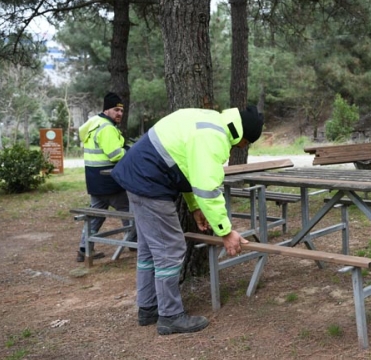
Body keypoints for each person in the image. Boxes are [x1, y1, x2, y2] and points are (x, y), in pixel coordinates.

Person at [111, 105, 264, 335]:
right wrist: (225, 232)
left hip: (138, 176)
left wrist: (193, 207)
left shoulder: (210, 121)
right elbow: (208, 190)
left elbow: (186, 167)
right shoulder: (214, 137)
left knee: (149, 250)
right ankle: (170, 315)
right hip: (150, 182)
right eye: (247, 142)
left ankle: (148, 308)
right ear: (242, 136)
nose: (244, 147)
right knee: (170, 248)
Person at [76, 92, 135, 262]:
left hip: (94, 181)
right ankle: (133, 241)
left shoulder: (94, 124)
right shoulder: (107, 128)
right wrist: (131, 152)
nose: (119, 114)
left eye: (121, 111)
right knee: (129, 209)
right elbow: (115, 154)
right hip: (110, 181)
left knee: (96, 214)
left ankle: (84, 248)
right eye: (116, 110)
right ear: (107, 110)